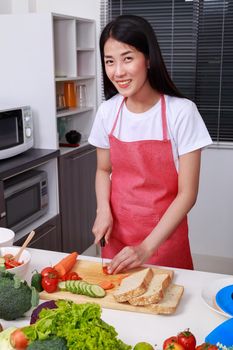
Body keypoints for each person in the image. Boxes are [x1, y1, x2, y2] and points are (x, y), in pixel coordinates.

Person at [88, 14, 212, 274]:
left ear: (149, 59)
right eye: (110, 61)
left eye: (128, 58)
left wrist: (145, 248)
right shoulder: (107, 112)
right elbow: (103, 170)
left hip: (163, 243)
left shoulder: (181, 112)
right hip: (117, 240)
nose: (118, 71)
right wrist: (103, 211)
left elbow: (187, 194)